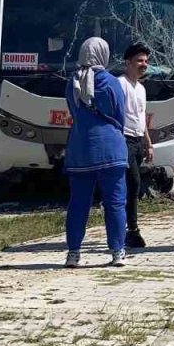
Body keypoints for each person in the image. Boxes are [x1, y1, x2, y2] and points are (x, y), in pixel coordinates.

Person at [64, 37, 129, 268]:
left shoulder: (72, 83)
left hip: (80, 150)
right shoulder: (111, 83)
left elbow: (73, 110)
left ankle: (73, 253)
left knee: (78, 204)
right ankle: (117, 251)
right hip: (111, 151)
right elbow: (120, 116)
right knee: (115, 203)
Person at [118, 43, 154, 250]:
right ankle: (132, 230)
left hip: (139, 140)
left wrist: (148, 143)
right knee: (133, 183)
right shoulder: (119, 84)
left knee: (134, 186)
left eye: (146, 61)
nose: (144, 65)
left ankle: (125, 225)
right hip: (124, 140)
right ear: (128, 62)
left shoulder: (141, 89)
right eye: (140, 61)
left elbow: (142, 118)